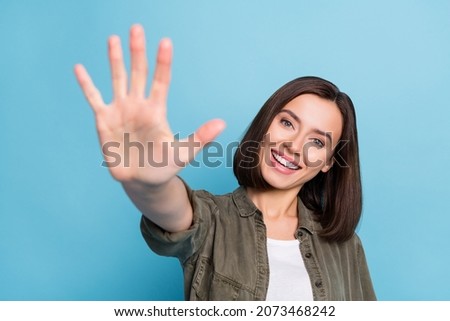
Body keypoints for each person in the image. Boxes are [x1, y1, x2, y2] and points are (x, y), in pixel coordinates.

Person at [74, 24, 376, 301]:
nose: (294, 146)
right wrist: (149, 182)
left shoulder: (346, 246)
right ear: (266, 124)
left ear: (327, 162)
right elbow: (168, 207)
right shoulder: (211, 220)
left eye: (317, 141)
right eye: (287, 123)